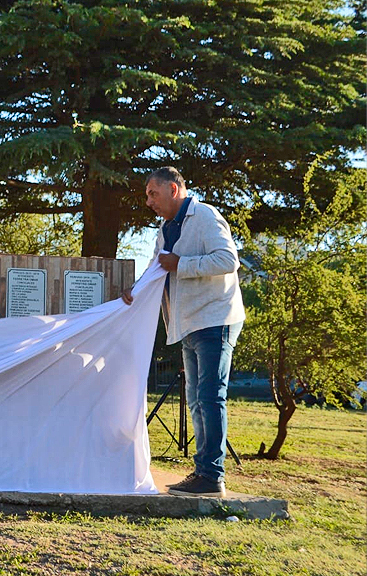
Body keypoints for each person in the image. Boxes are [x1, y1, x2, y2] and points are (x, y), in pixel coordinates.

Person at [122, 166, 245, 497]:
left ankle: (212, 475)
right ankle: (202, 473)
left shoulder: (204, 216)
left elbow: (228, 261)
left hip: (215, 319)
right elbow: (157, 265)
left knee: (209, 395)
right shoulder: (166, 228)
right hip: (187, 322)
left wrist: (182, 265)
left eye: (153, 193)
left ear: (174, 190)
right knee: (195, 399)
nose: (148, 201)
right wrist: (134, 291)